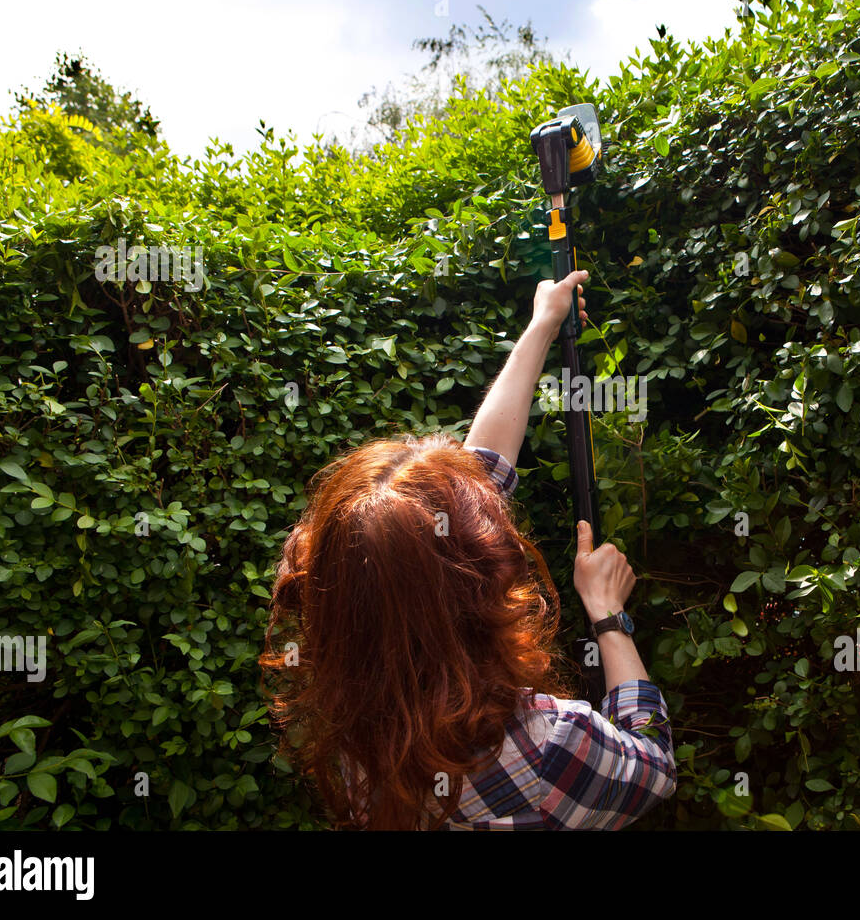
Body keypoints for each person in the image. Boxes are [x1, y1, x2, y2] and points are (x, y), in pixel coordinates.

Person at [260, 269, 676, 829]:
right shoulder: (545, 746)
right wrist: (608, 617)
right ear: (473, 582)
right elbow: (650, 763)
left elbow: (479, 472)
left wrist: (543, 323)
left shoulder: (359, 726)